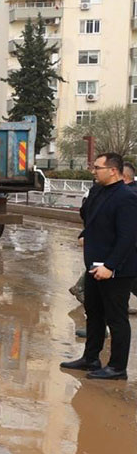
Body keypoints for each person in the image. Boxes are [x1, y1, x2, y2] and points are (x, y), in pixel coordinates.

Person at [60, 152, 137, 380]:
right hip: (94, 265)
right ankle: (90, 358)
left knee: (116, 319)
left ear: (113, 171)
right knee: (93, 313)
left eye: (97, 168)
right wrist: (85, 233)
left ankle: (117, 367)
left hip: (116, 270)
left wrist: (111, 266)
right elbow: (91, 219)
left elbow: (127, 237)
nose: (93, 171)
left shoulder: (127, 197)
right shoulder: (97, 191)